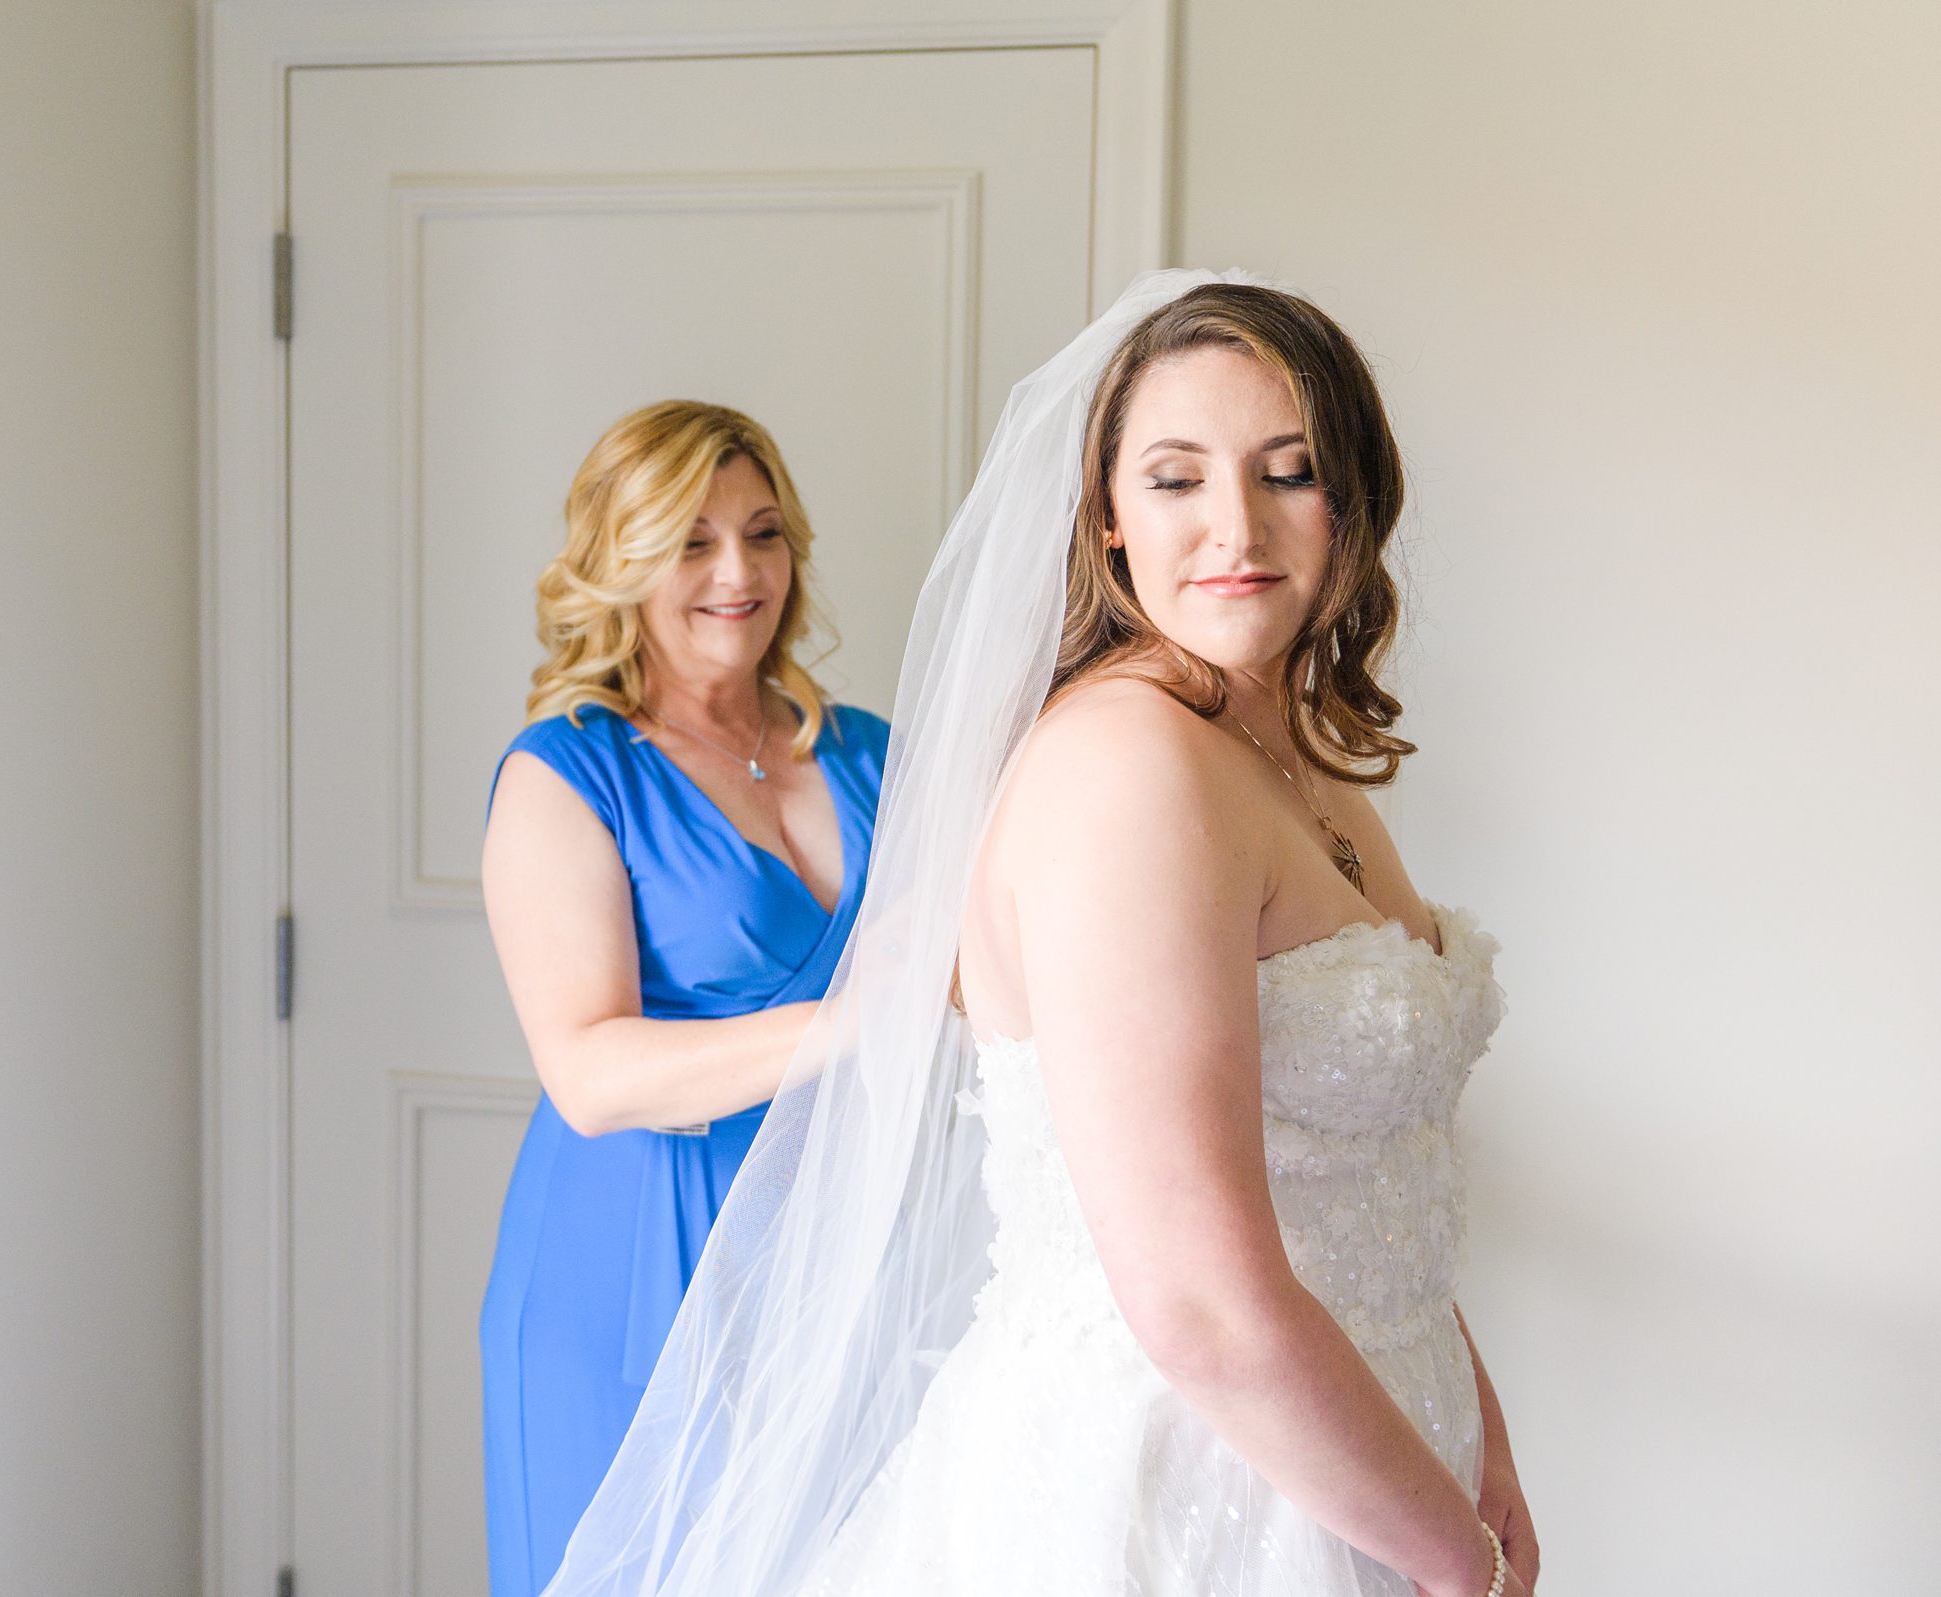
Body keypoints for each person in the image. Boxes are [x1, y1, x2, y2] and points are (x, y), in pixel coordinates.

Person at [538, 272, 1541, 1597]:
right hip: (1191, 1497)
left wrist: (1477, 1446)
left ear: (1348, 502)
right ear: (1109, 522)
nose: (1235, 525)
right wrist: (1455, 1557)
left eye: (1287, 472)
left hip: (1360, 1447)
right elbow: (1196, 1301)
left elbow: (1381, 1183)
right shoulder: (1128, 770)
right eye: (1176, 478)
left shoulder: (1290, 747)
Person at [478, 400, 892, 1597]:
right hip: (634, 1270)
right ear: (620, 560)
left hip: (829, 1263)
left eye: (765, 534)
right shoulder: (568, 771)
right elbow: (590, 1074)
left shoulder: (872, 753)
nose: (740, 573)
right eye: (693, 540)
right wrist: (853, 1026)